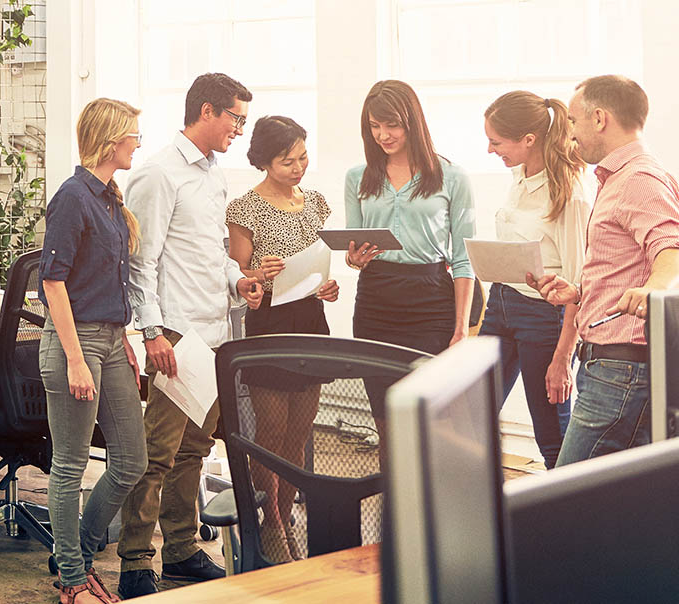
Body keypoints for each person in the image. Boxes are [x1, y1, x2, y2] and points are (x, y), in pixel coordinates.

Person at [117, 73, 263, 599]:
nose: (240, 131)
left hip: (215, 330)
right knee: (157, 451)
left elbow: (212, 250)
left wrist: (237, 279)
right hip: (176, 332)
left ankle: (180, 549)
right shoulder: (158, 173)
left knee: (195, 450)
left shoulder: (213, 172)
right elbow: (141, 261)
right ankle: (136, 560)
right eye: (236, 119)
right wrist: (152, 332)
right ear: (207, 111)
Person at [530, 75, 679, 466]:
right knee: (622, 502)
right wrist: (581, 293)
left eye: (572, 121)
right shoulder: (619, 178)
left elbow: (672, 253)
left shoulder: (638, 178)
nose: (569, 134)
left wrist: (655, 289)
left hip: (621, 373)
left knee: (565, 498)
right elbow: (627, 265)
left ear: (599, 118)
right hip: (612, 368)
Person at [38, 98, 149, 604]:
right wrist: (78, 358)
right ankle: (73, 581)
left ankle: (73, 557)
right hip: (74, 343)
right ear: (110, 140)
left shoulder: (108, 197)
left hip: (109, 338)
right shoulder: (72, 197)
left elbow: (107, 279)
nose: (138, 142)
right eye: (133, 134)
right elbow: (53, 284)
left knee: (131, 460)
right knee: (70, 464)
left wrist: (122, 337)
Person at [225, 115, 339, 563]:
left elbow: (321, 265)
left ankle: (284, 516)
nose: (298, 168)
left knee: (299, 432)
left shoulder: (316, 203)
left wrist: (329, 287)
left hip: (311, 319)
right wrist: (258, 273)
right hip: (270, 324)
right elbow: (237, 276)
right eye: (286, 161)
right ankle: (269, 521)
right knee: (270, 432)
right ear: (263, 161)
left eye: (303, 157)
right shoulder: (244, 208)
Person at [344, 80, 476, 451]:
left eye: (392, 125)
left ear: (412, 122)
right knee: (385, 423)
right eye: (374, 126)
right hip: (375, 300)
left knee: (428, 421)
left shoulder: (453, 177)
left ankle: (427, 506)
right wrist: (353, 259)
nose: (383, 135)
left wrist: (461, 328)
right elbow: (352, 249)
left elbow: (464, 258)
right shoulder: (357, 177)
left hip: (430, 300)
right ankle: (393, 507)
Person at [479, 91, 590, 469]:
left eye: (496, 141)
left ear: (528, 139)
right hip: (500, 304)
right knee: (472, 412)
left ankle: (569, 519)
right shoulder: (519, 177)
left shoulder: (570, 195)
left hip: (544, 317)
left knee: (552, 435)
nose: (491, 150)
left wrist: (563, 359)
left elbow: (579, 286)